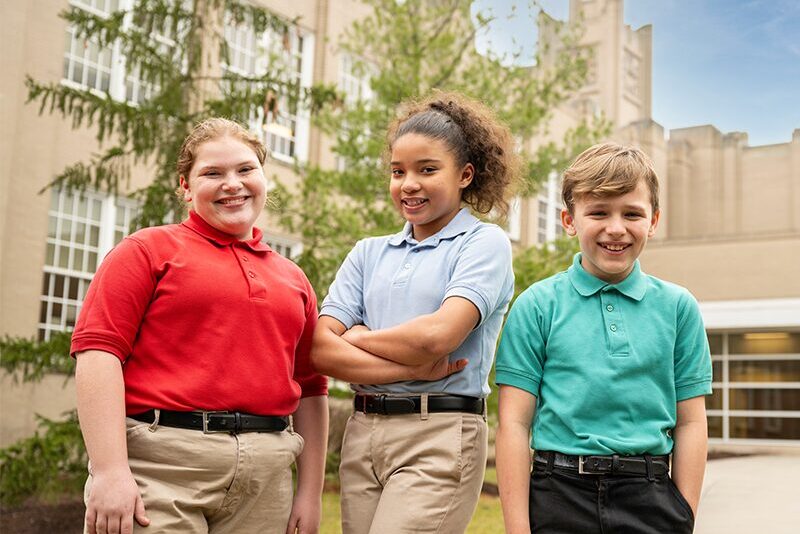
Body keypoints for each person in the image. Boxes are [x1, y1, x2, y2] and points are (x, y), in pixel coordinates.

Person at [71, 118, 329, 534]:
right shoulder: (146, 251)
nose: (233, 184)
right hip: (161, 469)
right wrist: (109, 471)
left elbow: (311, 388)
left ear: (264, 176)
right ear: (186, 187)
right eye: (212, 173)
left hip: (266, 481)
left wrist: (309, 493)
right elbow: (98, 355)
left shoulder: (293, 278)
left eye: (246, 169)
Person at [311, 91, 519, 534]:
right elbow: (318, 349)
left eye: (427, 170)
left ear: (465, 175)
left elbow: (436, 338)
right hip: (363, 432)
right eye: (397, 171)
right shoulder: (368, 253)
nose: (409, 184)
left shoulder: (483, 244)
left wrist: (358, 337)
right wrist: (410, 370)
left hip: (439, 432)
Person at [495, 142, 712, 533]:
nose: (616, 228)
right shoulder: (537, 306)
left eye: (632, 213)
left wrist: (684, 513)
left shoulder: (679, 308)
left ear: (654, 220)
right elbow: (513, 424)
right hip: (558, 495)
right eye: (598, 212)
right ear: (569, 220)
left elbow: (691, 423)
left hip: (651, 498)